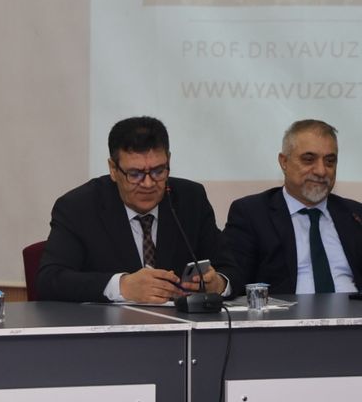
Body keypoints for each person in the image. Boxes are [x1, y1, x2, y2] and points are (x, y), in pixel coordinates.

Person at [37, 116, 238, 303]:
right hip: (108, 327)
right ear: (113, 169)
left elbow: (232, 269)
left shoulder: (190, 199)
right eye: (135, 174)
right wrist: (122, 286)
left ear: (168, 160)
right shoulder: (78, 207)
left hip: (181, 326)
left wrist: (218, 284)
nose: (148, 184)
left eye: (158, 171)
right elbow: (49, 280)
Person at [223, 119, 362, 295]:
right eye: (309, 160)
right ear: (284, 162)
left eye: (330, 161)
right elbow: (234, 281)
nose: (321, 171)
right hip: (288, 311)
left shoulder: (354, 214)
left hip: (354, 310)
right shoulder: (252, 213)